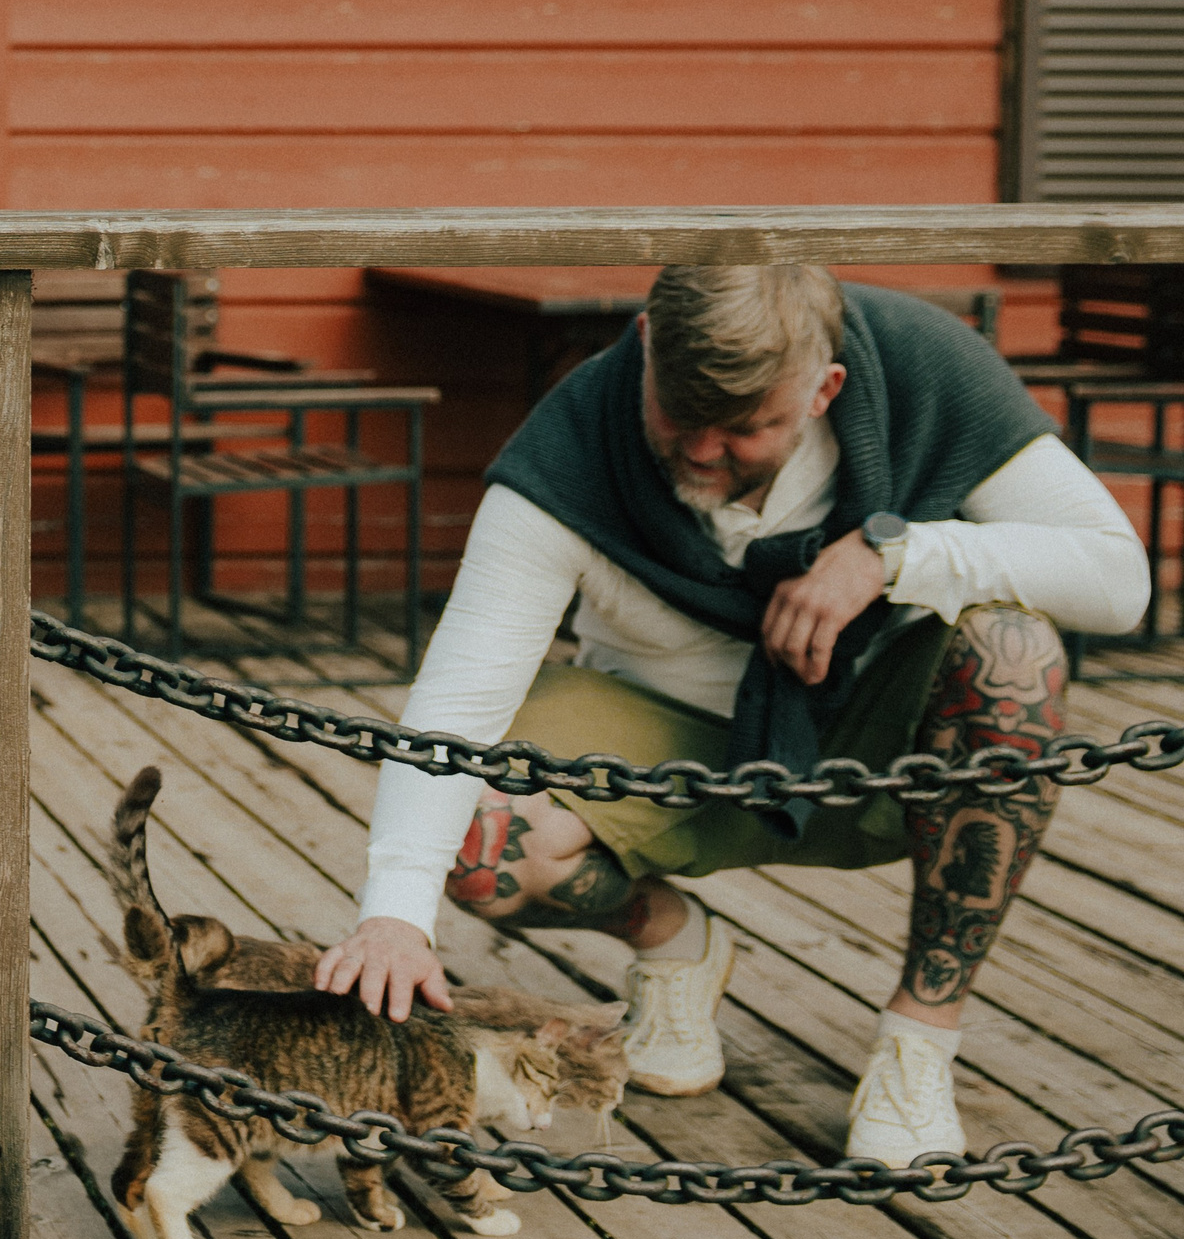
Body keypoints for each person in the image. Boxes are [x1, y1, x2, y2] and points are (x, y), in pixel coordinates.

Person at [312, 266, 1149, 1166]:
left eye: (749, 427)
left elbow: (1116, 580)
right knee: (481, 841)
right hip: (659, 734)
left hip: (874, 731)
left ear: (825, 390)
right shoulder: (573, 440)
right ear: (643, 347)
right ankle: (677, 946)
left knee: (1015, 654)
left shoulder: (922, 363)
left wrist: (893, 557)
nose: (706, 452)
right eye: (680, 416)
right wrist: (394, 915)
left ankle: (919, 1042)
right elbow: (461, 695)